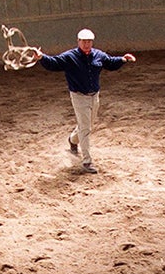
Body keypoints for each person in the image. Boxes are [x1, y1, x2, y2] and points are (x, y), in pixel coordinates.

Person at [35, 28, 136, 174]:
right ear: (78, 42)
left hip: (94, 96)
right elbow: (54, 63)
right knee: (86, 129)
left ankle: (72, 140)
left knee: (87, 125)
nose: (86, 44)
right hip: (79, 97)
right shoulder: (70, 56)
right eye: (84, 41)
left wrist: (123, 59)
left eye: (89, 41)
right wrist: (42, 57)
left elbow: (110, 63)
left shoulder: (98, 55)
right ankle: (87, 162)